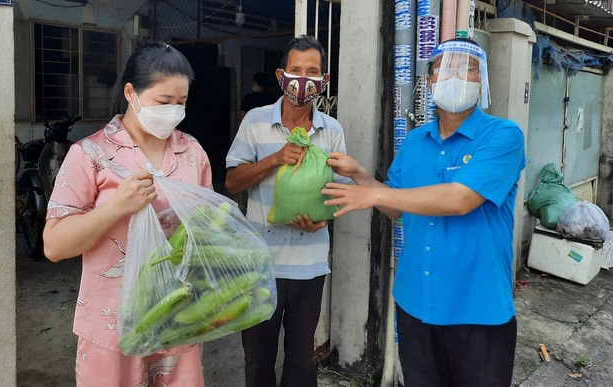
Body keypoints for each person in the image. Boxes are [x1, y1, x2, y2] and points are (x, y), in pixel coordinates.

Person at [322, 38, 525, 386]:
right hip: (416, 305)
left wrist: (371, 196)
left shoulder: (503, 135)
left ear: (482, 80)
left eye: (468, 69)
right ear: (429, 81)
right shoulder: (415, 141)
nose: (456, 76)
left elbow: (460, 199)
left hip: (477, 309)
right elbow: (395, 208)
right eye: (445, 69)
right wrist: (361, 177)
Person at [42, 43, 210, 387]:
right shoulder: (90, 155)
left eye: (181, 103)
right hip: (112, 326)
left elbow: (207, 233)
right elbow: (53, 246)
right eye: (164, 102)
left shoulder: (192, 153)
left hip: (178, 320)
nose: (174, 112)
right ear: (131, 92)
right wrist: (117, 207)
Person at [225, 35, 348, 387]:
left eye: (313, 72)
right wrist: (276, 158)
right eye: (296, 70)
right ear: (281, 76)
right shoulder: (256, 121)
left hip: (309, 267)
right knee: (258, 358)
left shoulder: (332, 131)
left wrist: (325, 218)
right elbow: (232, 182)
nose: (303, 79)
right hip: (261, 265)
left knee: (300, 362)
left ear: (323, 82)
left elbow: (344, 191)